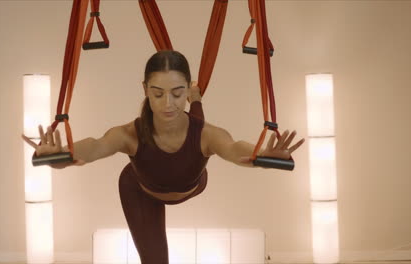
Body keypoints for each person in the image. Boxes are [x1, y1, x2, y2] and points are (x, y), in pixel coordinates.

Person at [22, 50, 305, 263]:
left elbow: (234, 148)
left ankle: (197, 99)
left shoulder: (206, 134)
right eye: (157, 94)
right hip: (141, 189)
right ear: (144, 89)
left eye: (177, 93)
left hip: (192, 182)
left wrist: (262, 154)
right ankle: (195, 98)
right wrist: (59, 154)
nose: (168, 104)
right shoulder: (129, 134)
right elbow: (93, 147)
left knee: (196, 122)